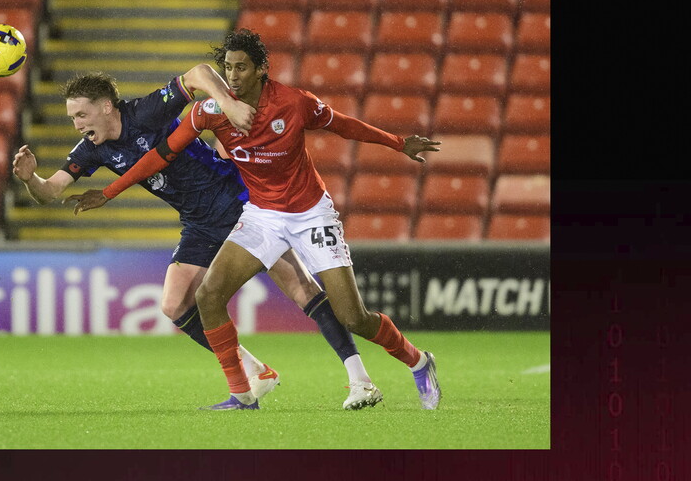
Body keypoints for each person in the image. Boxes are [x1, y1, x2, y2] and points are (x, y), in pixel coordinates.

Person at [69, 29, 443, 411]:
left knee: (353, 316)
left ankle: (418, 360)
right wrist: (108, 193)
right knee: (208, 296)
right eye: (227, 68)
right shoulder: (211, 111)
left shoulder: (295, 103)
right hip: (262, 215)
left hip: (310, 213)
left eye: (241, 68)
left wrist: (399, 143)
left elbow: (344, 125)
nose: (232, 76)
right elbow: (162, 154)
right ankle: (243, 394)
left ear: (261, 69)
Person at [12, 69, 387, 410]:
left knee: (302, 290)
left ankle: (360, 380)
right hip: (199, 222)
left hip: (238, 202)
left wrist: (225, 102)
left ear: (106, 107)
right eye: (72, 118)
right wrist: (32, 180)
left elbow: (199, 74)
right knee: (174, 304)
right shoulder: (91, 149)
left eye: (81, 115)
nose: (77, 124)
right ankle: (255, 372)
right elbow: (51, 191)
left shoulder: (145, 111)